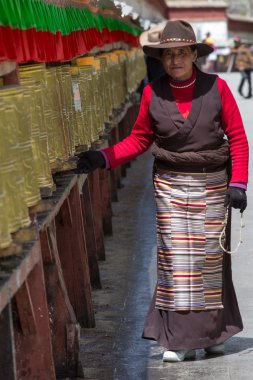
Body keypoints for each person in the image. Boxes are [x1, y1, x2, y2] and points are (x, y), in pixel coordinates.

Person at [76, 20, 249, 362]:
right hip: (170, 186)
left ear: (193, 55)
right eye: (168, 55)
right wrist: (103, 157)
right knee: (175, 260)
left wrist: (239, 184)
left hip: (212, 185)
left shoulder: (217, 89)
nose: (175, 61)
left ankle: (213, 333)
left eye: (182, 53)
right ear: (162, 59)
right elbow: (140, 139)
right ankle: (178, 339)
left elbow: (239, 138)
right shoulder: (153, 92)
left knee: (209, 259)